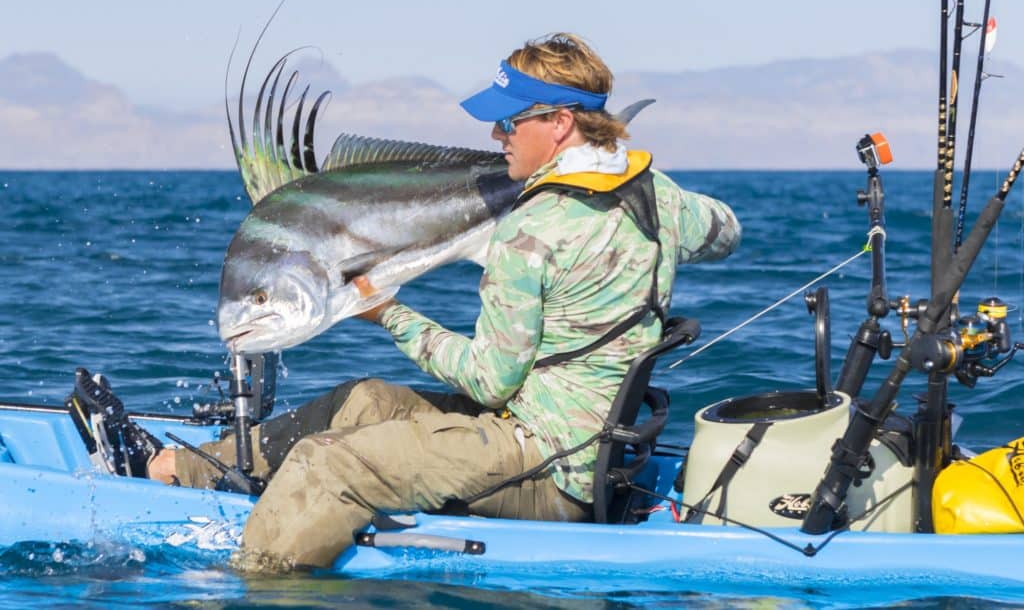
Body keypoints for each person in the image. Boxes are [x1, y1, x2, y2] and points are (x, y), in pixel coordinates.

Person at [146, 32, 741, 571]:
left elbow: (488, 382)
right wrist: (638, 178)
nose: (496, 136)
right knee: (363, 401)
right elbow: (725, 231)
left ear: (560, 124)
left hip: (550, 468)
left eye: (509, 122)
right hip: (596, 450)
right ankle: (191, 469)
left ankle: (253, 583)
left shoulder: (527, 232)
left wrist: (387, 313)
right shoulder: (657, 195)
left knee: (327, 463)